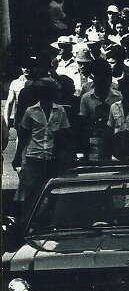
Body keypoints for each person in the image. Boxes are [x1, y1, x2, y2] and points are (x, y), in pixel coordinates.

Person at [12, 78, 71, 218]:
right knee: (31, 191)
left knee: (50, 191)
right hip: (34, 156)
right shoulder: (31, 111)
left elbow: (64, 134)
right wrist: (17, 157)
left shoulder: (60, 111)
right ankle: (27, 221)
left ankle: (45, 220)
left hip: (51, 157)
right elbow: (24, 136)